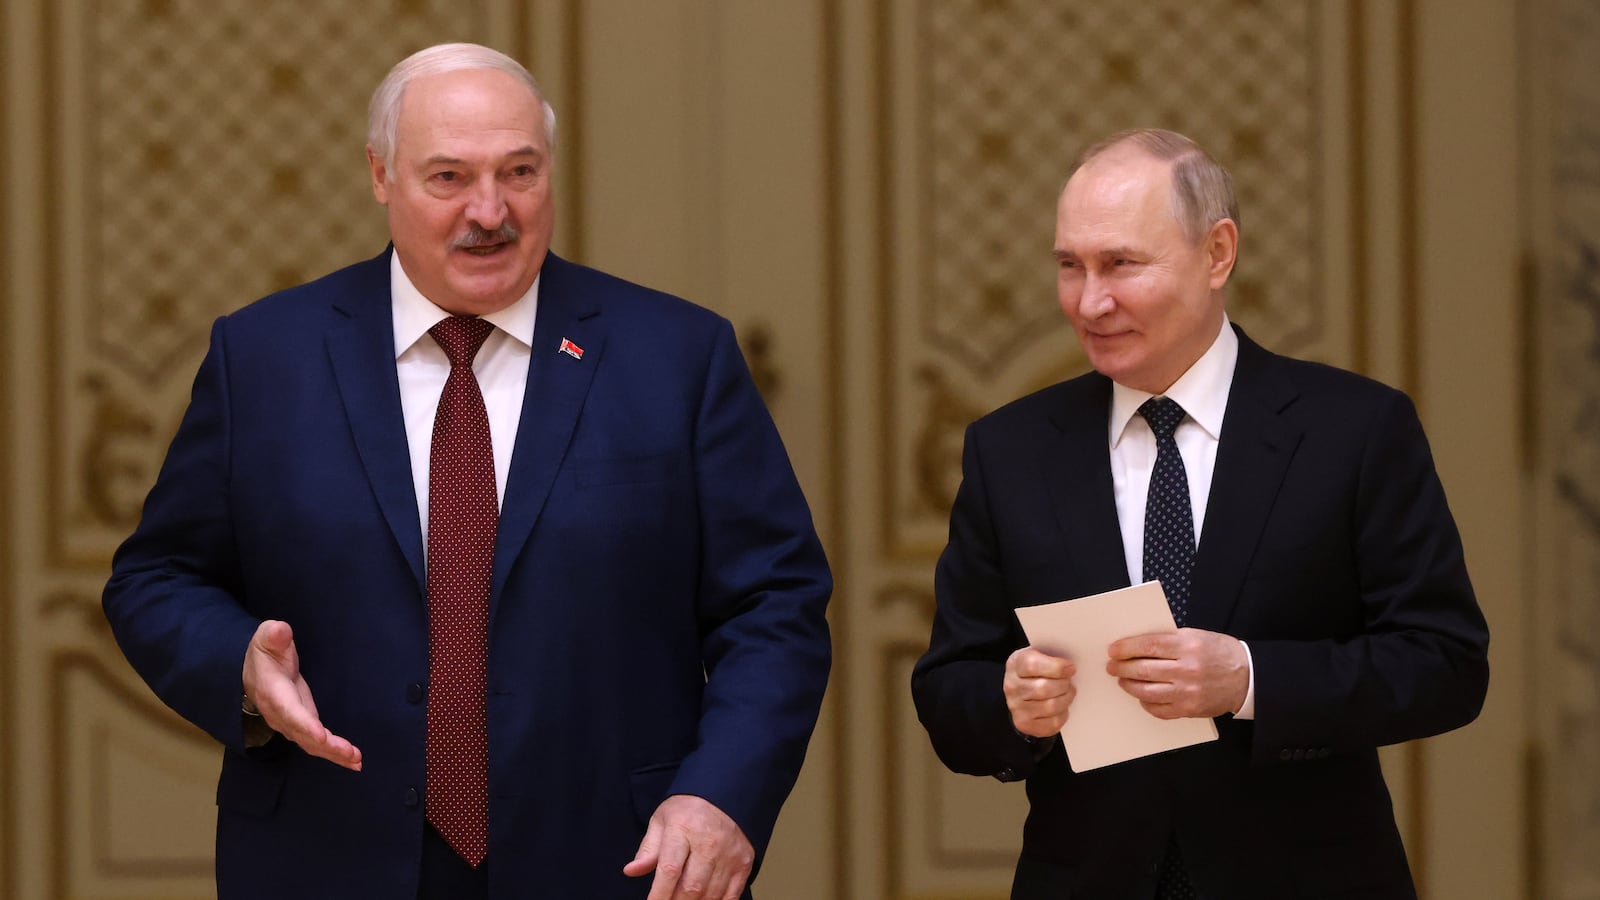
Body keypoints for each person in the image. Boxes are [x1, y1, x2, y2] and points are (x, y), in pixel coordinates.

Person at [102, 42, 831, 900]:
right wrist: (238, 666)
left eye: (519, 172)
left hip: (613, 861)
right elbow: (156, 578)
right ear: (380, 176)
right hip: (326, 857)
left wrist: (721, 798)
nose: (491, 211)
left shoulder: (676, 357)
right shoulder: (265, 358)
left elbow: (774, 604)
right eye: (448, 178)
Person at [910, 128, 1489, 899]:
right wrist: (1010, 703)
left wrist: (1249, 679)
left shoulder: (1353, 431)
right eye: (1069, 267)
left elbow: (1446, 665)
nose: (1090, 301)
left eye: (1121, 264)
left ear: (1218, 253)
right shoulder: (1008, 450)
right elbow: (949, 687)